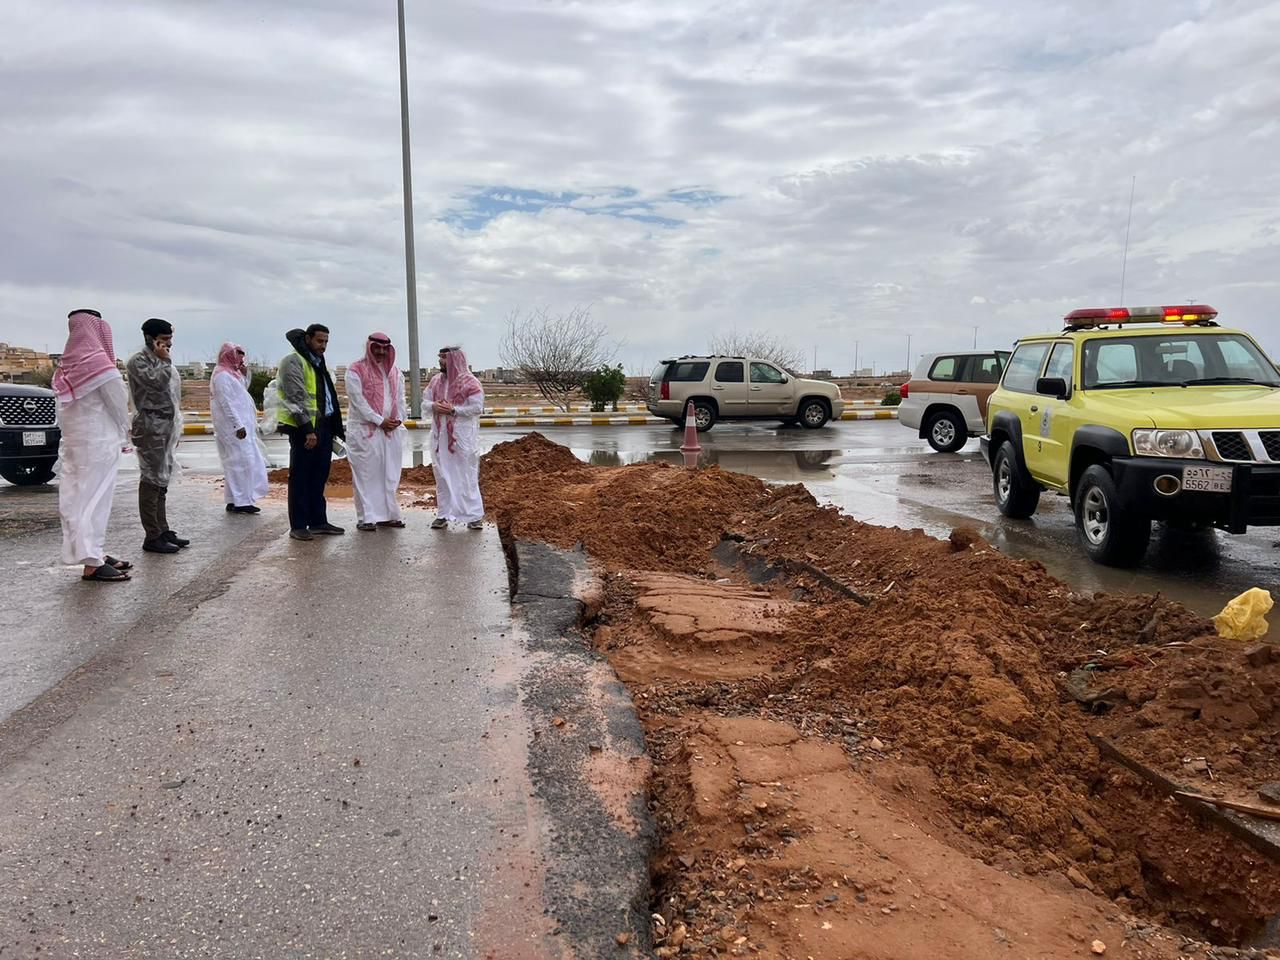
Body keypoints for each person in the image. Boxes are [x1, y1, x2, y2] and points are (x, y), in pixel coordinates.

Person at [53, 310, 133, 582]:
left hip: (76, 446)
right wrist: (128, 432)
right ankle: (92, 561)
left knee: (78, 500)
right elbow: (118, 403)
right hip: (98, 445)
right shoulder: (100, 365)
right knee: (96, 501)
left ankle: (93, 552)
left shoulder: (67, 367)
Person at [276, 324, 345, 540]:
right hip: (304, 429)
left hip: (323, 426)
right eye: (319, 341)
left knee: (318, 476)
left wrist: (334, 428)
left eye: (326, 342)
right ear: (308, 339)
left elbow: (327, 397)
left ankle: (318, 521)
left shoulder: (317, 362)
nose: (323, 346)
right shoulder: (293, 361)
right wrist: (308, 429)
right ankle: (298, 526)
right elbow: (296, 398)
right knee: (301, 477)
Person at [127, 318, 186, 554]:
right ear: (150, 339)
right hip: (150, 425)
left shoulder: (161, 359)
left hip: (166, 425)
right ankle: (152, 535)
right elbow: (158, 384)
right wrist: (165, 361)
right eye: (164, 340)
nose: (169, 344)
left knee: (162, 480)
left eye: (170, 339)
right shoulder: (138, 361)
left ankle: (163, 529)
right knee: (151, 480)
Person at [345, 332, 406, 531]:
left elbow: (400, 400)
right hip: (365, 431)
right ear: (369, 347)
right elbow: (358, 402)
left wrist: (398, 420)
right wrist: (379, 421)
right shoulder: (355, 370)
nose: (380, 352)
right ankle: (366, 518)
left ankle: (388, 515)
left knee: (389, 474)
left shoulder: (395, 372)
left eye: (384, 348)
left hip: (390, 431)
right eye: (376, 348)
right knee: (366, 475)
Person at [427, 346, 484, 530]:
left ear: (455, 359)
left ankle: (473, 516)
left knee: (466, 476)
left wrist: (453, 410)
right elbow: (424, 403)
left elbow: (477, 408)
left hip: (462, 438)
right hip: (440, 438)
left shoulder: (470, 382)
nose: (441, 361)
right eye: (440, 357)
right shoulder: (436, 381)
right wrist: (434, 406)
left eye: (445, 358)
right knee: (442, 476)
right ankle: (443, 514)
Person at [210, 342, 268, 514]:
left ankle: (233, 499)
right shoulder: (221, 376)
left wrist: (245, 374)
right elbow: (226, 402)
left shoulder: (231, 373)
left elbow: (242, 392)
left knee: (237, 463)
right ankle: (242, 502)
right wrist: (237, 425)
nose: (241, 359)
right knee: (241, 463)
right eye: (238, 356)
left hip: (241, 426)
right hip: (233, 428)